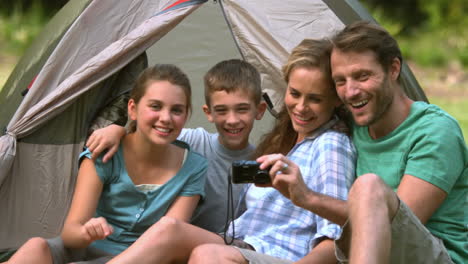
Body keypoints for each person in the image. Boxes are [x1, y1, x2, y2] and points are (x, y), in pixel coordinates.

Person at [212, 21, 466, 264]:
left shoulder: (435, 131)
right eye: (340, 81)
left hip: (432, 257)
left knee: (368, 188)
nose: (350, 91)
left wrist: (308, 198)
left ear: (393, 69)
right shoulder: (354, 126)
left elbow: (396, 224)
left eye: (362, 76)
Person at [104, 38, 356, 264]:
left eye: (315, 98)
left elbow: (335, 236)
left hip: (278, 253)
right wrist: (120, 130)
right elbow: (155, 134)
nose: (301, 107)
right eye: (294, 93)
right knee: (172, 231)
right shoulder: (289, 144)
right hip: (244, 242)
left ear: (336, 99)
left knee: (197, 247)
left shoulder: (330, 144)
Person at [2, 64, 208, 264]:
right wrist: (87, 232)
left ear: (186, 115)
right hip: (83, 250)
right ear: (133, 109)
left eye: (177, 110)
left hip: (139, 258)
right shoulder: (104, 152)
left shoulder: (193, 167)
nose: (165, 118)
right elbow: (70, 234)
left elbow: (169, 241)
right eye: (155, 106)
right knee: (35, 248)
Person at [86, 59, 268, 233]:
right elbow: (151, 132)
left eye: (242, 109)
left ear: (259, 111)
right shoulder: (195, 141)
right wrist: (118, 130)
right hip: (175, 240)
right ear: (208, 113)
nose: (232, 120)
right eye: (221, 110)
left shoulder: (261, 163)